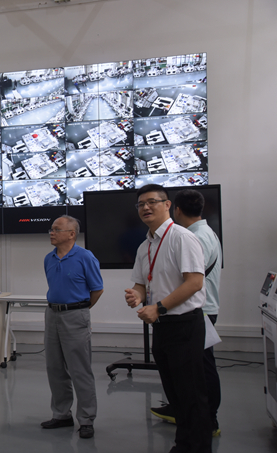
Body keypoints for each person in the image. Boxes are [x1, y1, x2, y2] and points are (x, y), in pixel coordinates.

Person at [125, 184, 212, 453]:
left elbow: (194, 282)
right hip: (162, 327)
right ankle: (183, 445)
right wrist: (137, 296)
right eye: (141, 204)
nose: (146, 207)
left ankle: (197, 448)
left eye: (152, 202)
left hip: (184, 325)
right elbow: (141, 284)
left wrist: (159, 308)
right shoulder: (145, 246)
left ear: (167, 205)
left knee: (191, 395)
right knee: (175, 394)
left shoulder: (182, 238)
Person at [150, 189, 223, 436]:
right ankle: (193, 415)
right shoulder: (206, 232)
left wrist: (160, 305)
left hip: (197, 311)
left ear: (175, 209)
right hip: (203, 308)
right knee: (197, 367)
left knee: (200, 369)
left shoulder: (192, 237)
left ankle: (208, 420)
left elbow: (191, 281)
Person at [40, 215, 104, 439]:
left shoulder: (85, 257)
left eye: (56, 229)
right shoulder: (48, 259)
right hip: (52, 315)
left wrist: (80, 310)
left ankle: (86, 419)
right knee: (55, 368)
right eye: (51, 229)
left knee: (80, 370)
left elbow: (97, 289)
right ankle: (61, 414)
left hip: (76, 316)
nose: (52, 232)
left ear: (71, 234)